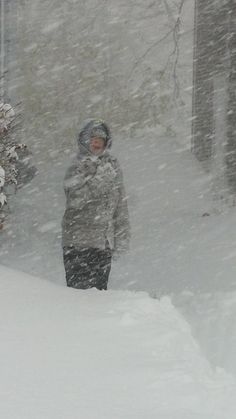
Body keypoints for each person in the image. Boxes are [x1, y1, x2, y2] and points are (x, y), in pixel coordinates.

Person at [62, 119, 130, 290]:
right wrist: (94, 179)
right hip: (77, 245)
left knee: (99, 299)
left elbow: (120, 206)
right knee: (79, 298)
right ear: (85, 141)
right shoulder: (76, 167)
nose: (97, 142)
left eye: (101, 139)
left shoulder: (112, 166)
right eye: (93, 138)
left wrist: (121, 239)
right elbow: (75, 202)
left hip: (101, 246)